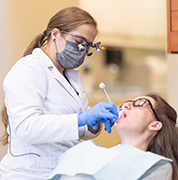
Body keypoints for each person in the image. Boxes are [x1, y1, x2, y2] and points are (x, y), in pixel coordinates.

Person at [0, 6, 119, 180]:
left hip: (64, 169)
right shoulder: (29, 69)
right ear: (55, 34)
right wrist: (81, 118)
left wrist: (94, 123)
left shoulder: (72, 76)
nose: (82, 50)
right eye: (79, 42)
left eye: (87, 46)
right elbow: (26, 128)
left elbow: (81, 131)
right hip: (30, 173)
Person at [46, 93, 178, 180]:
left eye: (139, 104)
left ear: (155, 125)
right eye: (127, 102)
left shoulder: (155, 166)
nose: (126, 105)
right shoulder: (84, 151)